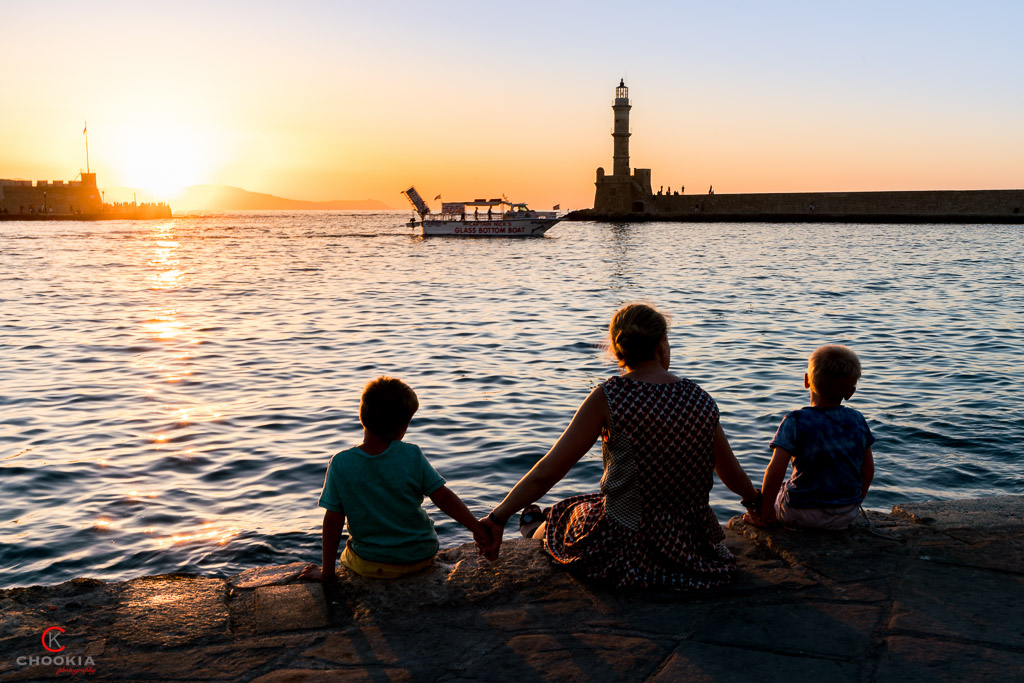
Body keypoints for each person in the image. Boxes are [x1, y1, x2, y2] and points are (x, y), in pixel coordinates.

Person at [478, 304, 761, 589]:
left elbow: (548, 471)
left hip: (627, 545)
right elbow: (732, 473)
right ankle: (534, 522)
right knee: (586, 504)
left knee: (568, 513)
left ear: (616, 350)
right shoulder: (699, 398)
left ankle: (530, 526)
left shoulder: (609, 397)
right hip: (693, 544)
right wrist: (756, 504)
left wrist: (498, 516)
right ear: (662, 344)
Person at [301, 377, 493, 581]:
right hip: (421, 556)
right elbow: (443, 497)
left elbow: (333, 519)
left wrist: (326, 573)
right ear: (403, 426)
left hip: (372, 565)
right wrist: (477, 528)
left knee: (348, 551)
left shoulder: (340, 463)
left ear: (362, 416)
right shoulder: (411, 454)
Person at [746, 345, 875, 530]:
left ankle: (764, 517)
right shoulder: (858, 420)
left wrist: (764, 513)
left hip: (799, 514)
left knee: (781, 488)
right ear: (850, 392)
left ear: (807, 380)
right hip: (846, 515)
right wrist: (854, 502)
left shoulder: (795, 421)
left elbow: (775, 471)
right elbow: (868, 470)